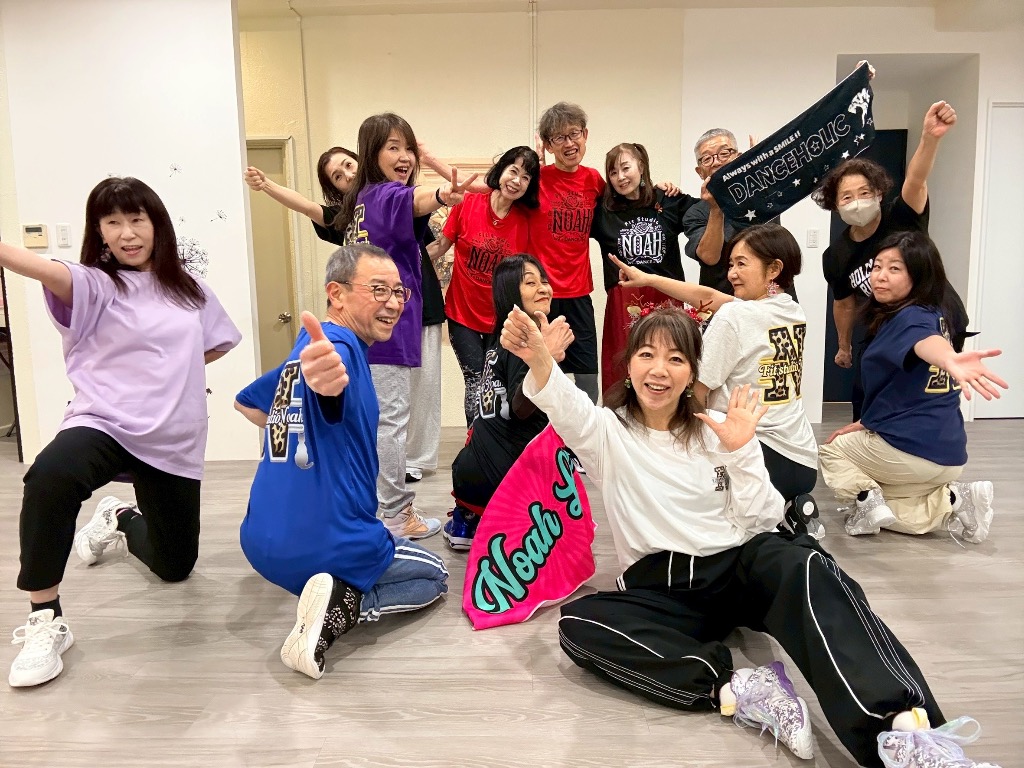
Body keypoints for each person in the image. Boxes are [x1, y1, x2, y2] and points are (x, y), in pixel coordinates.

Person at [498, 302, 1004, 768]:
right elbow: (562, 401)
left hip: (736, 565)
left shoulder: (720, 425)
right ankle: (741, 687)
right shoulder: (606, 431)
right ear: (628, 365)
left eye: (676, 359)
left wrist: (741, 451)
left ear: (693, 373)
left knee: (807, 563)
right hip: (662, 587)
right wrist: (539, 358)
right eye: (646, 355)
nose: (659, 370)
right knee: (580, 623)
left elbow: (762, 519)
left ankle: (902, 732)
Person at [3, 177, 241, 688]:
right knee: (50, 476)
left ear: (157, 225)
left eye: (137, 219)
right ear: (99, 231)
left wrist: (170, 375)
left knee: (176, 567)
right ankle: (46, 619)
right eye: (113, 222)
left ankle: (119, 516)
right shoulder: (93, 284)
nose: (127, 233)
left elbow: (217, 344)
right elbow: (34, 265)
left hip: (173, 437)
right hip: (104, 421)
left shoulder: (190, 289)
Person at [235, 243, 449, 680]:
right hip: (325, 546)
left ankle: (318, 592)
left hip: (259, 542)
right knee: (436, 574)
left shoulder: (305, 351)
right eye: (378, 289)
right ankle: (343, 606)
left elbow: (246, 403)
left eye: (399, 292)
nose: (394, 303)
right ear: (336, 293)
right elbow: (329, 388)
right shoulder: (338, 350)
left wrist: (304, 424)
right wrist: (325, 391)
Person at [244, 146, 445, 485]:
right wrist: (267, 185)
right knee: (384, 399)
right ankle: (387, 468)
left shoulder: (393, 198)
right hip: (376, 316)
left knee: (423, 389)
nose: (348, 175)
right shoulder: (348, 216)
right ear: (334, 188)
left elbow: (427, 237)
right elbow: (307, 206)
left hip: (418, 305)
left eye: (349, 165)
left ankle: (417, 461)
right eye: (338, 176)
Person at [612, 223, 821, 537]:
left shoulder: (735, 317)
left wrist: (675, 452)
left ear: (774, 269)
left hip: (755, 458)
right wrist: (649, 279)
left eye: (741, 264)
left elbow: (696, 393)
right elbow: (709, 296)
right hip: (802, 461)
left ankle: (760, 518)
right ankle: (790, 509)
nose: (732, 273)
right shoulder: (792, 310)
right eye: (731, 264)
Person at [323, 113, 475, 539]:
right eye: (393, 147)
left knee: (373, 422)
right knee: (390, 422)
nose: (404, 156)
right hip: (386, 328)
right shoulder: (387, 194)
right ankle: (395, 514)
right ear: (372, 153)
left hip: (361, 329)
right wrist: (443, 194)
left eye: (408, 147)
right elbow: (417, 200)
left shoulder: (361, 201)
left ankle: (371, 509)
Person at [819, 231, 1006, 540]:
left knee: (832, 450)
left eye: (895, 269)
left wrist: (949, 358)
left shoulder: (910, 319)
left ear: (919, 276)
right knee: (892, 505)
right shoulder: (935, 312)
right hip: (949, 453)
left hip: (911, 451)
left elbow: (926, 342)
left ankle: (867, 501)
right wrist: (868, 422)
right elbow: (903, 387)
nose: (880, 276)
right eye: (877, 266)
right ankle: (955, 499)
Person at [812, 100, 960, 420]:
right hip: (884, 328)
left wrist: (930, 138)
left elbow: (916, 180)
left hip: (931, 321)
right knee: (867, 399)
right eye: (847, 197)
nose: (857, 202)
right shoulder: (836, 255)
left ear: (879, 193)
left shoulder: (902, 217)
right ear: (836, 206)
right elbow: (844, 303)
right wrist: (844, 345)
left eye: (865, 193)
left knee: (919, 404)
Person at [444, 255, 573, 550]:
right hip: (506, 483)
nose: (543, 288)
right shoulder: (524, 341)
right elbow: (520, 409)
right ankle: (495, 520)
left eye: (544, 281)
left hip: (469, 477)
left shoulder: (499, 336)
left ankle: (468, 518)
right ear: (510, 292)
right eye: (531, 282)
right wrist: (546, 358)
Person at [430, 146, 540, 425]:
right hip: (462, 314)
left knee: (495, 382)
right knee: (475, 379)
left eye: (526, 177)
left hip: (500, 319)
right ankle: (474, 439)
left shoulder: (526, 221)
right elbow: (440, 246)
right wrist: (400, 260)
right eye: (513, 171)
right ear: (501, 170)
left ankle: (493, 439)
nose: (516, 181)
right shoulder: (468, 203)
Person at [591, 142, 698, 398]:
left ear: (641, 166)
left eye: (625, 168)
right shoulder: (603, 210)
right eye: (613, 172)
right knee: (622, 364)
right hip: (624, 300)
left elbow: (707, 208)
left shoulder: (667, 200)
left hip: (667, 295)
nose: (620, 177)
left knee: (669, 359)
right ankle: (618, 417)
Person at [529, 101, 605, 403]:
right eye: (559, 137)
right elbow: (497, 189)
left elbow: (628, 202)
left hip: (579, 294)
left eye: (574, 134)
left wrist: (663, 189)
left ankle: (584, 433)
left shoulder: (594, 180)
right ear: (548, 145)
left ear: (585, 135)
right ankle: (545, 434)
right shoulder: (536, 180)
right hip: (541, 296)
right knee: (545, 377)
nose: (569, 143)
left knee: (587, 380)